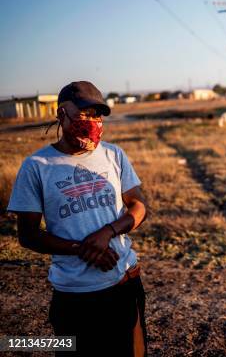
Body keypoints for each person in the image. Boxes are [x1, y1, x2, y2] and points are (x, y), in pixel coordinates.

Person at [7, 81, 148, 356]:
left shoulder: (113, 154)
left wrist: (107, 232)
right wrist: (83, 249)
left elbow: (139, 206)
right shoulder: (37, 167)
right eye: (84, 113)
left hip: (123, 283)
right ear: (62, 114)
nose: (93, 121)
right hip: (74, 296)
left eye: (98, 114)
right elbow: (28, 235)